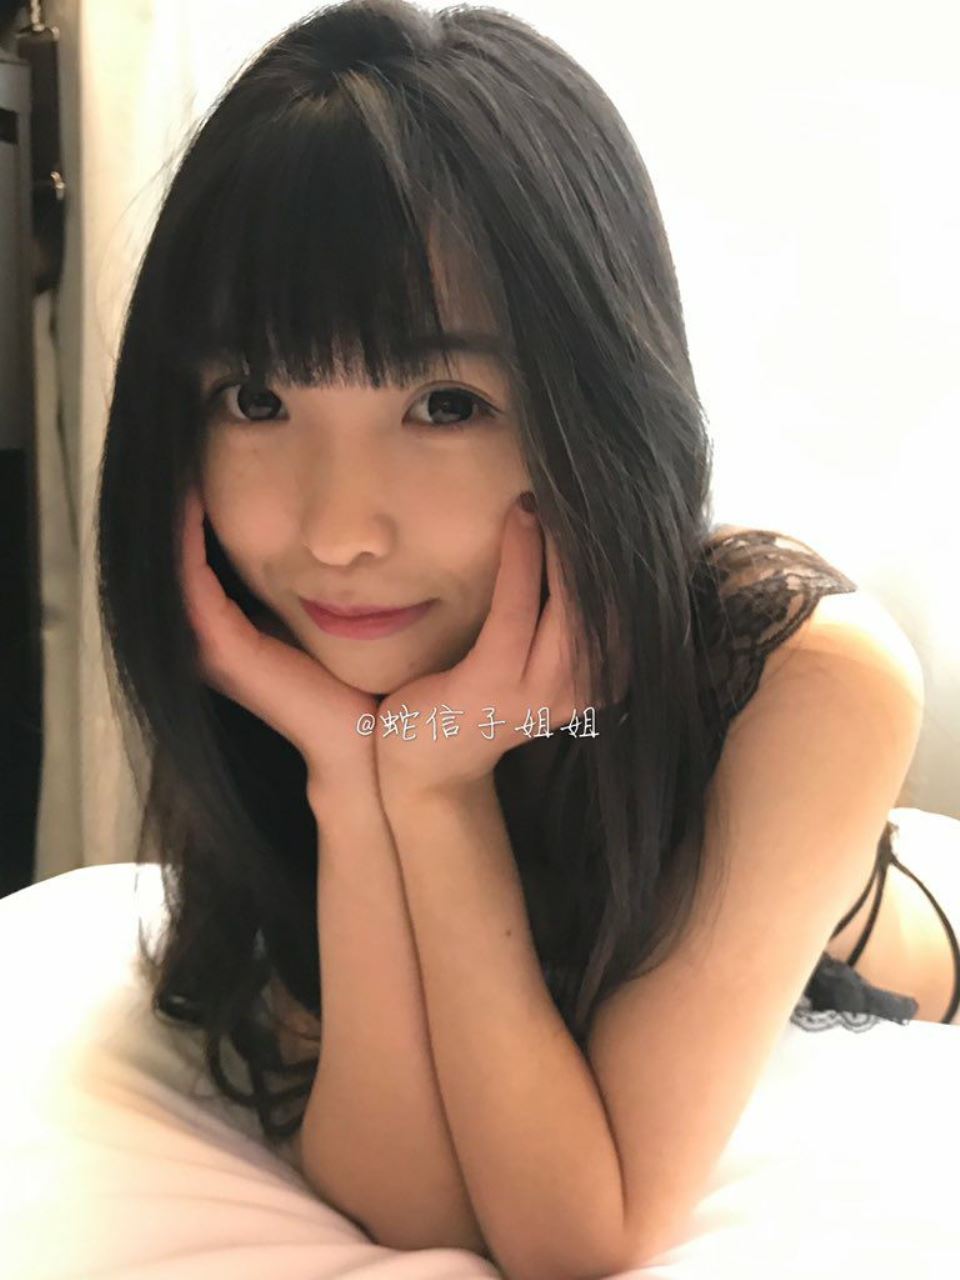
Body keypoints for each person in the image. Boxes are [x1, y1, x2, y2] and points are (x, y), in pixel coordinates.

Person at [94, 0, 960, 1268]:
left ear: (594, 404)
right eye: (259, 397)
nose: (338, 532)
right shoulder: (268, 658)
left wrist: (437, 790)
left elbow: (576, 1236)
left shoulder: (802, 671)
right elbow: (409, 1203)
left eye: (445, 402)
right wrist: (354, 777)